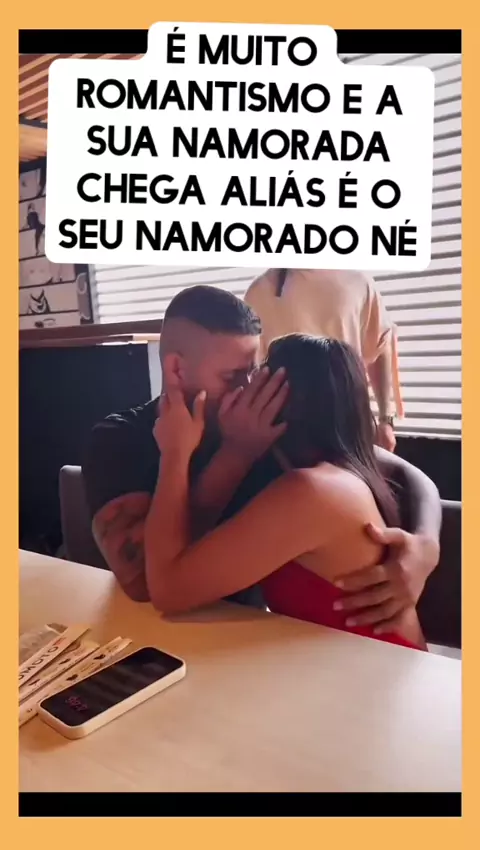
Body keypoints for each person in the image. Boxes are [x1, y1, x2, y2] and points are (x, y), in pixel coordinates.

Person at [83, 285, 441, 633]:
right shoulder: (118, 439)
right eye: (231, 376)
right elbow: (144, 584)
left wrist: (427, 544)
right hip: (150, 633)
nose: (247, 387)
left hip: (258, 638)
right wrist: (230, 456)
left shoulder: (265, 428)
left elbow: (396, 470)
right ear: (177, 370)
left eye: (252, 371)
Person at [143, 334, 426, 648]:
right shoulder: (335, 468)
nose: (244, 388)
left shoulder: (313, 492)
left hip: (381, 672)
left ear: (278, 401)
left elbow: (167, 591)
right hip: (335, 663)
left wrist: (175, 453)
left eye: (257, 377)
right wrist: (236, 450)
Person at [244, 268, 400, 453]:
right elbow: (249, 370)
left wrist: (385, 420)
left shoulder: (358, 281)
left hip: (348, 422)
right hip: (285, 427)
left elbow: (379, 346)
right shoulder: (259, 292)